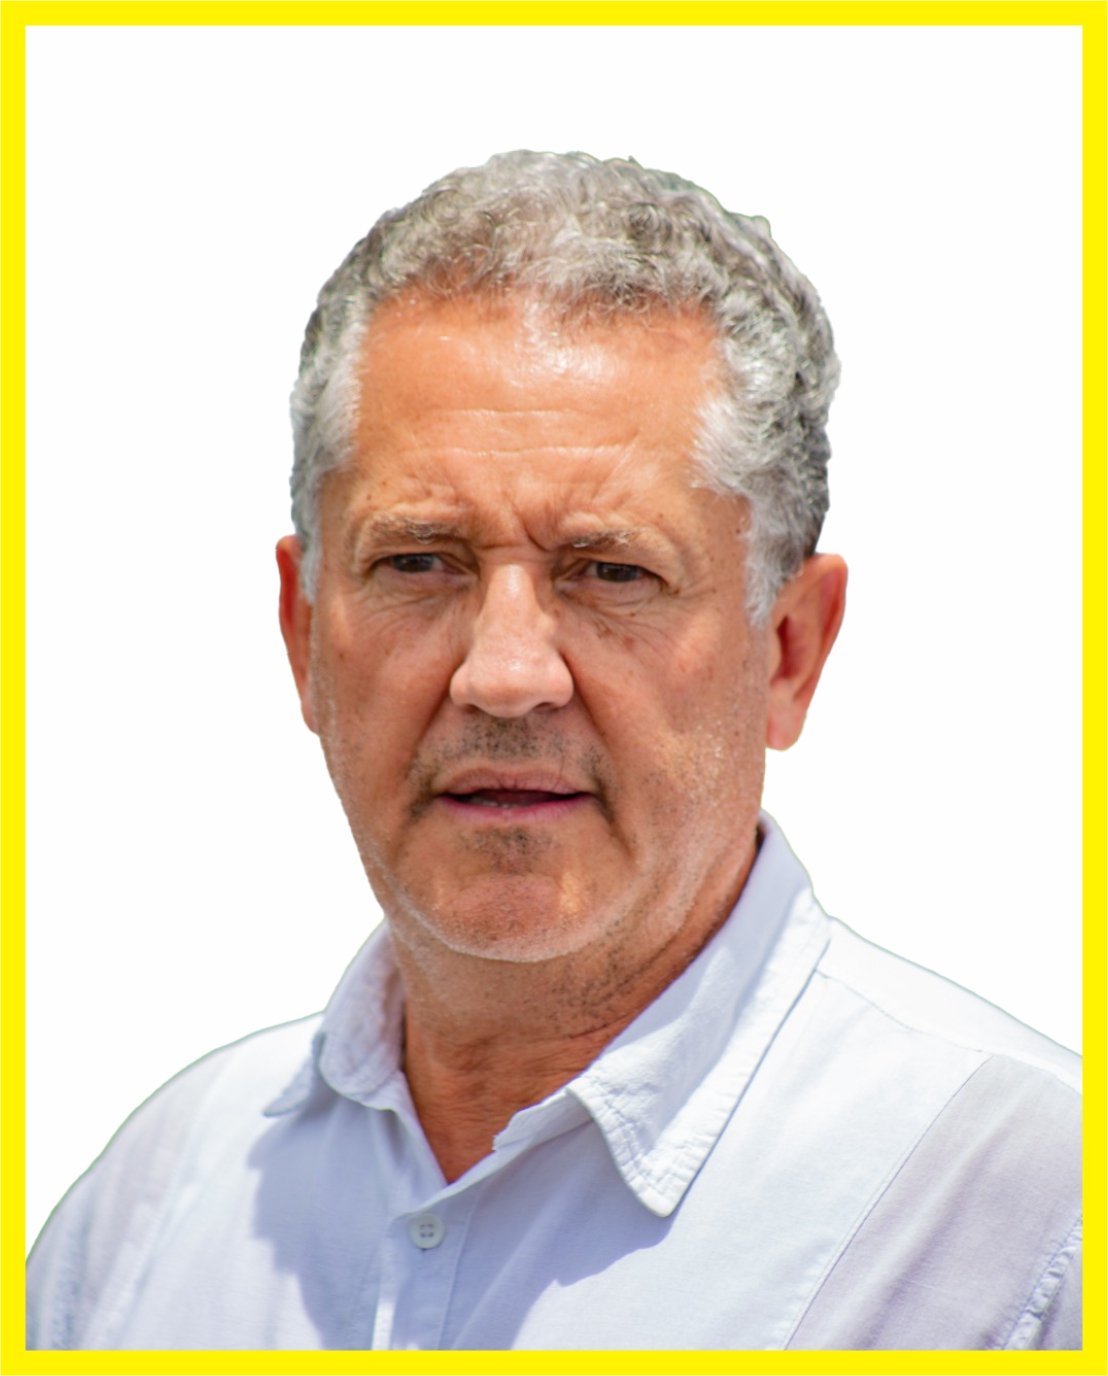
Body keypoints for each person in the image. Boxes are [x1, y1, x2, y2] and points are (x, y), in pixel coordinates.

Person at [27, 151, 1080, 1351]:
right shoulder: (154, 1212)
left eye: (611, 572)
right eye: (418, 561)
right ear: (304, 631)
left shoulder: (1029, 1227)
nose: (505, 673)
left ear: (788, 650)